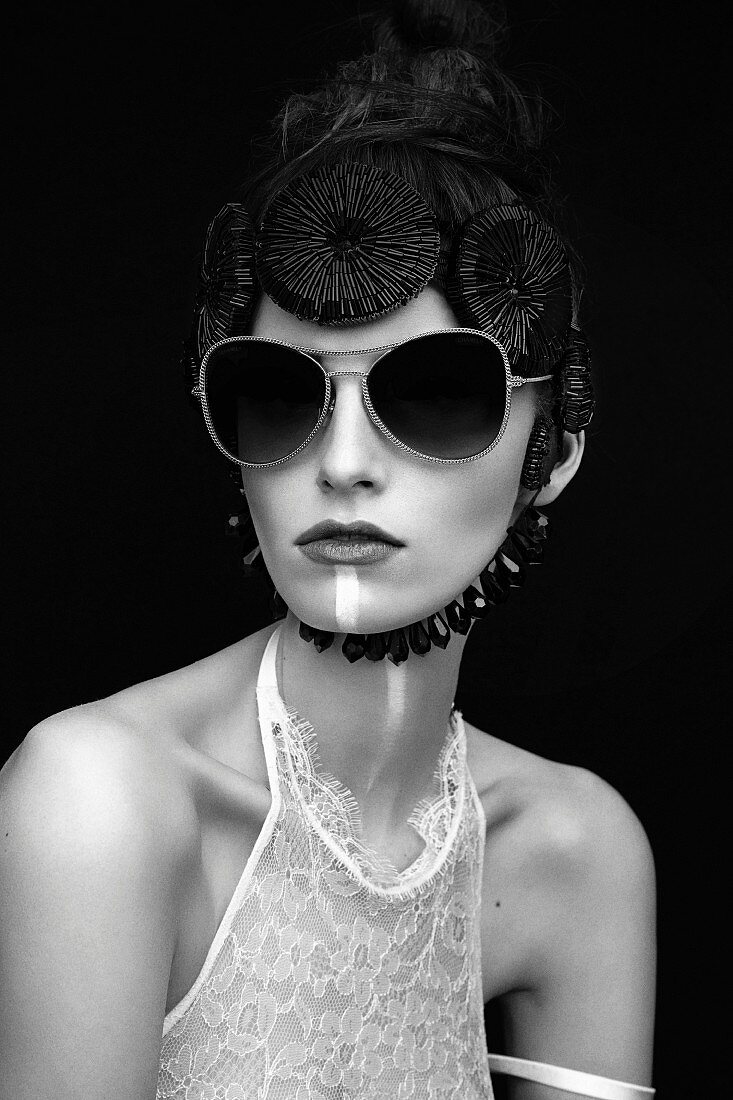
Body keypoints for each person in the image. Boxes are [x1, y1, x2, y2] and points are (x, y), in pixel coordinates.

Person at [0, 1, 656, 1097]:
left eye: (434, 392)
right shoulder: (98, 801)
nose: (342, 461)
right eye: (276, 395)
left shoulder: (574, 849)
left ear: (551, 452)